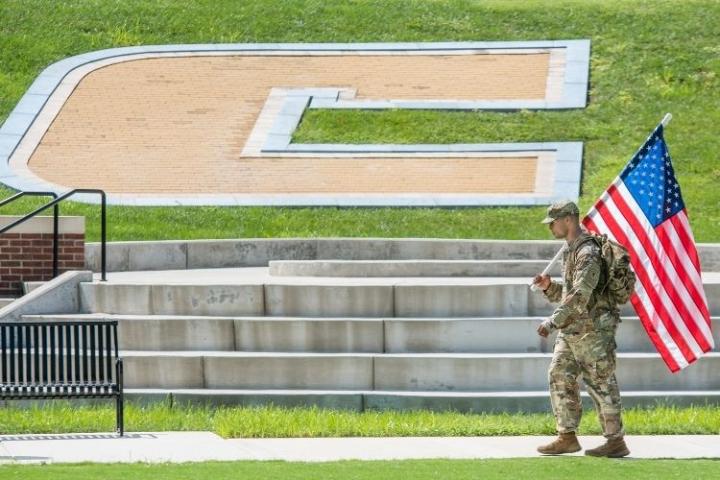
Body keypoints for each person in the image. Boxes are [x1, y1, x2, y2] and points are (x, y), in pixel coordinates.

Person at [532, 200, 630, 458]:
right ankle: (567, 436)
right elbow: (567, 294)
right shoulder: (570, 250)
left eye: (553, 222)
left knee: (600, 381)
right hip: (573, 328)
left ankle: (615, 441)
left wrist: (552, 322)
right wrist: (547, 288)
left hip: (594, 329)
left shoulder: (588, 252)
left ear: (568, 220)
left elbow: (580, 295)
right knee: (559, 374)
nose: (550, 227)